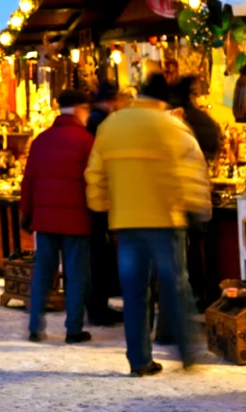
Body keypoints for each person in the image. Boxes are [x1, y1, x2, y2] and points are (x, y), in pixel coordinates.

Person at [86, 74, 212, 377]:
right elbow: (192, 171)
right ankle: (187, 353)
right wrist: (197, 209)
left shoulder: (110, 126)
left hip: (126, 224)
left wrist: (102, 206)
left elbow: (94, 174)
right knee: (175, 286)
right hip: (166, 222)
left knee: (134, 293)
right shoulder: (171, 126)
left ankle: (140, 360)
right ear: (163, 99)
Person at [21, 89, 95, 344]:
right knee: (76, 276)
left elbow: (28, 181)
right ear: (78, 110)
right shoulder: (86, 141)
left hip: (45, 220)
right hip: (76, 220)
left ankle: (35, 326)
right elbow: (92, 182)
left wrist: (27, 213)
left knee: (43, 273)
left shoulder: (40, 140)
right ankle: (73, 329)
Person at [170, 77, 222, 313]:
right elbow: (199, 171)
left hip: (171, 208)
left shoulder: (174, 134)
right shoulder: (192, 132)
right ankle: (195, 300)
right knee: (188, 258)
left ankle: (177, 314)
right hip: (188, 204)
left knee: (174, 265)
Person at [85, 82, 124, 326]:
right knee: (99, 258)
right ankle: (98, 310)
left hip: (95, 203)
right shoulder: (101, 124)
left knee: (97, 259)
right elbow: (101, 169)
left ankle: (98, 308)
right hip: (100, 205)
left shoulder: (95, 121)